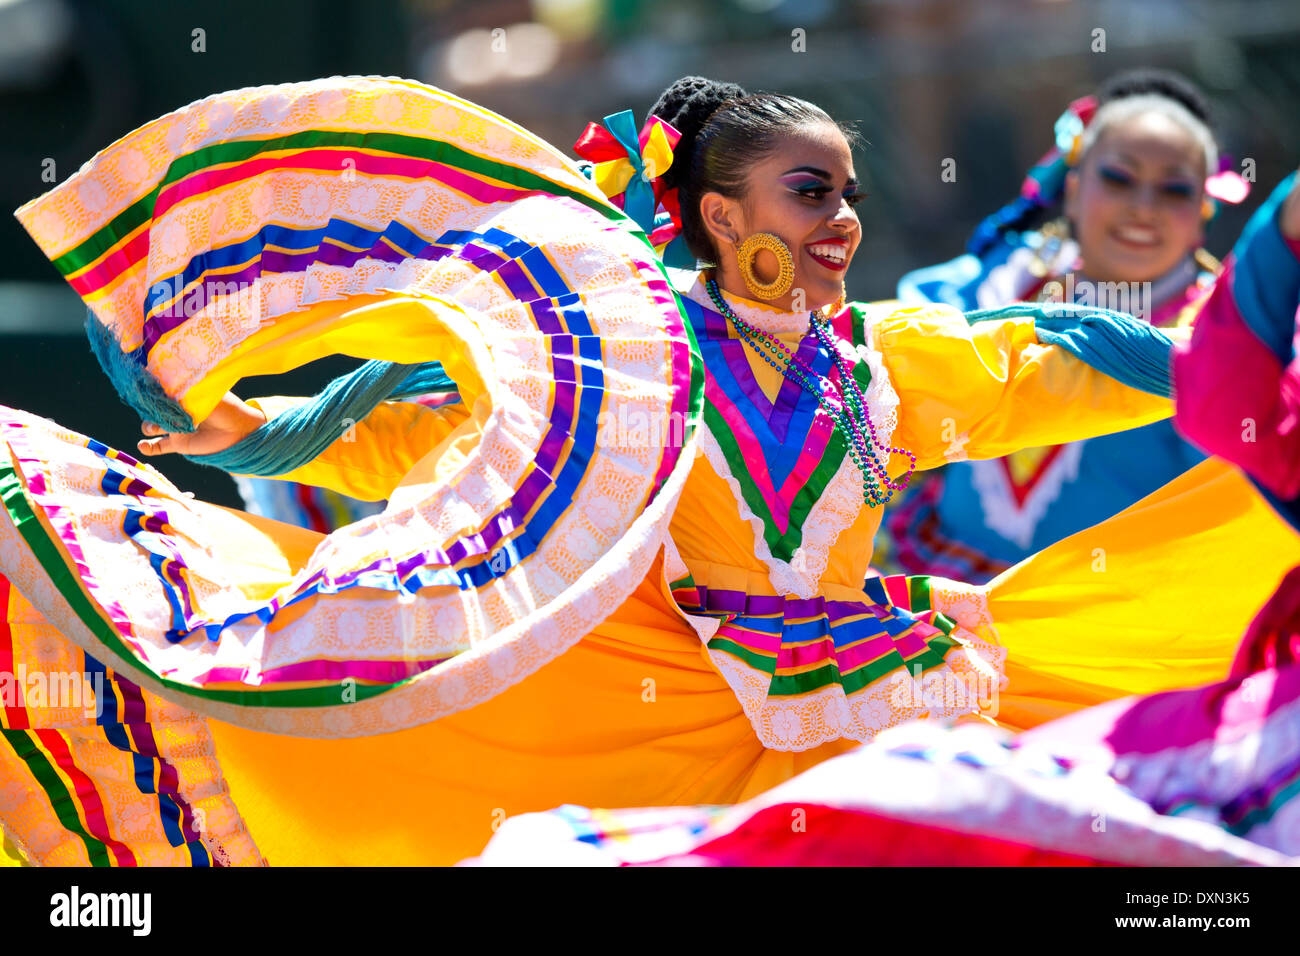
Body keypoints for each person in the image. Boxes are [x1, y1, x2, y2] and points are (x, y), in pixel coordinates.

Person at [1, 75, 1296, 866]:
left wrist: (1254, 323)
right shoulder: (627, 357)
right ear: (725, 218)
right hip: (647, 719)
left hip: (861, 704)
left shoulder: (892, 359)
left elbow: (1061, 368)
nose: (843, 223)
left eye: (845, 194)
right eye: (808, 194)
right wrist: (266, 433)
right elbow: (426, 437)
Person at [879, 70, 1251, 582]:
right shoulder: (991, 285)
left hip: (1109, 623)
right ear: (1073, 189)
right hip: (946, 587)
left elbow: (1231, 508)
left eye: (1174, 190)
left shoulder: (1224, 333)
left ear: (1204, 211)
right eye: (1119, 179)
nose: (1143, 208)